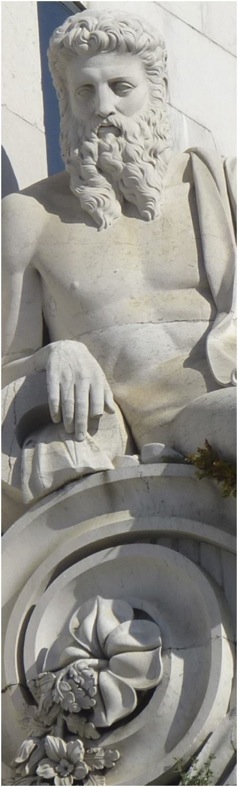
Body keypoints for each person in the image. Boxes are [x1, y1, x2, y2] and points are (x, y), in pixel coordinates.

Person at [2, 10, 236, 520]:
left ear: (157, 90)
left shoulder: (217, 187)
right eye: (85, 91)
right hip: (154, 421)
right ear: (65, 100)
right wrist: (53, 354)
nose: (103, 108)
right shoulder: (30, 217)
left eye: (120, 86)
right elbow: (5, 369)